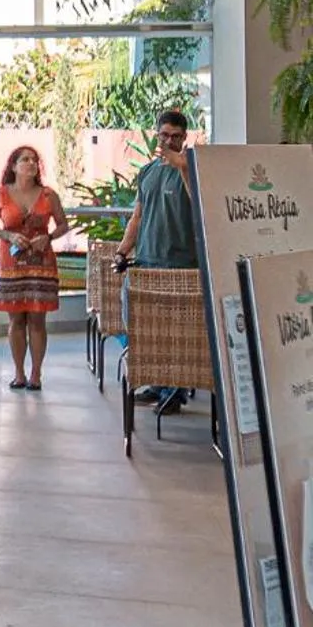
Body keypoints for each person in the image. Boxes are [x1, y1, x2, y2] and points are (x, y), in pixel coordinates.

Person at [115, 108, 199, 410]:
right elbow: (137, 216)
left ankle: (175, 392)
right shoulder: (148, 172)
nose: (169, 141)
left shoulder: (193, 168)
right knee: (147, 327)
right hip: (147, 261)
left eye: (176, 136)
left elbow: (200, 205)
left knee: (178, 332)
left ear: (184, 137)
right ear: (156, 135)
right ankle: (157, 382)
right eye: (164, 135)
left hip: (181, 264)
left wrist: (183, 167)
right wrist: (122, 251)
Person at [0, 144, 70, 390]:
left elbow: (63, 224)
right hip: (11, 263)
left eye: (34, 160)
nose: (31, 163)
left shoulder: (48, 195)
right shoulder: (1, 194)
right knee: (16, 319)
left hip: (41, 263)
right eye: (25, 160)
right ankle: (19, 373)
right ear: (13, 166)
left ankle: (36, 374)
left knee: (37, 318)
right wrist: (9, 236)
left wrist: (49, 237)